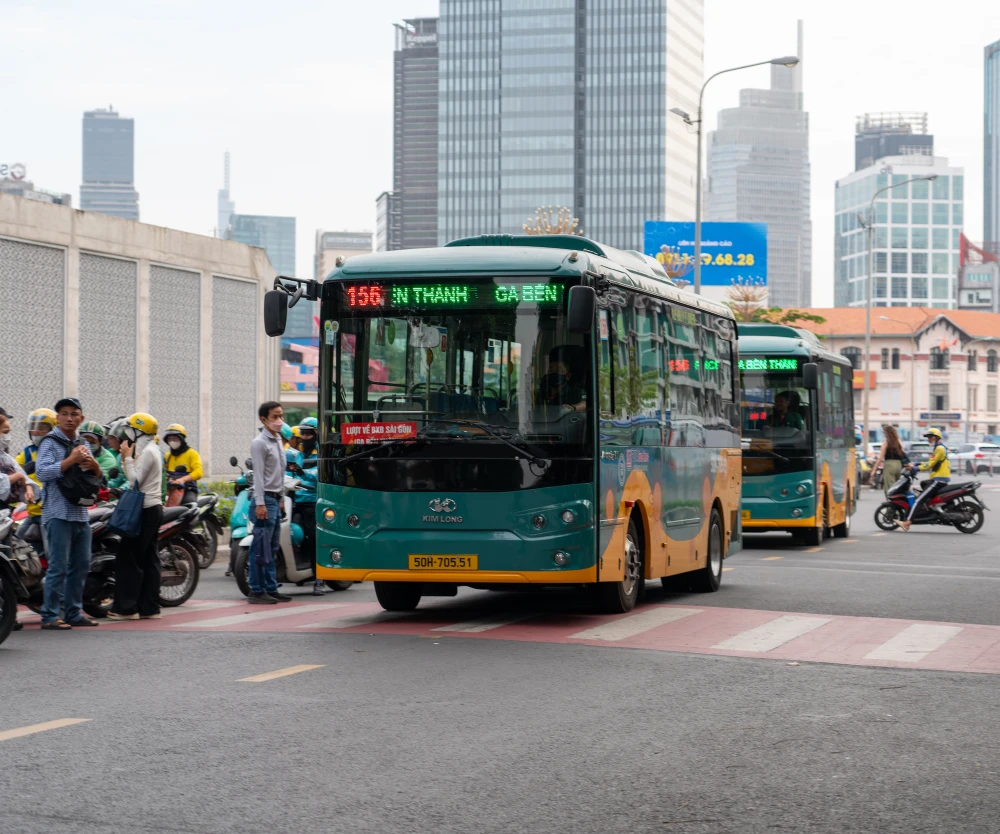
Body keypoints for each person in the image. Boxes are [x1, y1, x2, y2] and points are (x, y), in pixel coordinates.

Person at [34, 397, 102, 630]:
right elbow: (42, 473)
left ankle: (73, 612)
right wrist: (70, 460)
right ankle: (50, 616)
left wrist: (96, 467)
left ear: (81, 418)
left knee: (81, 566)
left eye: (74, 414)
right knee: (58, 568)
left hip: (81, 513)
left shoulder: (83, 443)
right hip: (57, 513)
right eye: (64, 413)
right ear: (57, 418)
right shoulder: (49, 442)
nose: (69, 418)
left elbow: (95, 477)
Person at [108, 413, 164, 620]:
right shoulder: (151, 449)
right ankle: (149, 607)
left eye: (130, 429)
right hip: (151, 509)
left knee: (128, 558)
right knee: (148, 559)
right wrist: (128, 458)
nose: (127, 433)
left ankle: (126, 608)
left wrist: (127, 457)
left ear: (139, 431)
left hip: (144, 510)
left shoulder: (148, 451)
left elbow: (134, 481)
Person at [247, 401, 292, 604]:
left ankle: (270, 588)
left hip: (274, 499)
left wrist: (281, 499)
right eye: (275, 416)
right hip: (264, 499)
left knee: (272, 548)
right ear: (264, 419)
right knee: (260, 548)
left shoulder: (278, 440)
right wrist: (260, 503)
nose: (279, 420)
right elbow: (258, 475)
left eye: (281, 415)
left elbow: (279, 474)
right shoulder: (260, 443)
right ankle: (256, 590)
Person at [288, 419, 324, 595]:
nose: (304, 436)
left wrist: (302, 473)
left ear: (316, 435)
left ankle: (319, 579)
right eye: (302, 433)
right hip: (295, 500)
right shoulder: (297, 455)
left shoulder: (320, 454)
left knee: (312, 539)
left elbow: (318, 475)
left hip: (311, 501)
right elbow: (288, 472)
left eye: (308, 433)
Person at [15, 408, 57, 547]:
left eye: (41, 428)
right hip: (32, 511)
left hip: (48, 513)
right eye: (33, 428)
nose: (36, 432)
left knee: (51, 551)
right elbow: (13, 467)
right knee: (15, 540)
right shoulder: (28, 452)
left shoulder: (56, 451)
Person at [897, 428, 951, 532]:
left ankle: (907, 522)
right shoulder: (939, 447)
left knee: (918, 500)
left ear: (936, 437)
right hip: (939, 478)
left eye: (931, 437)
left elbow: (930, 465)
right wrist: (916, 464)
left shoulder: (939, 449)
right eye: (928, 437)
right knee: (923, 484)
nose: (929, 439)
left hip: (939, 480)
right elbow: (931, 462)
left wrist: (914, 468)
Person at [162, 424, 203, 506]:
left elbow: (199, 472)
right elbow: (163, 472)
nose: (172, 441)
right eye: (169, 439)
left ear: (181, 439)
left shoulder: (192, 453)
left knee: (189, 506)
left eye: (174, 438)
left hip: (188, 489)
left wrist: (183, 480)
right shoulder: (167, 456)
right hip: (171, 489)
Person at [540, 345, 586, 411]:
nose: (554, 373)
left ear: (568, 376)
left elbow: (585, 403)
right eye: (550, 370)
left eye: (558, 370)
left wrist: (573, 408)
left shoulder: (575, 391)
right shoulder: (543, 390)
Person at [872, 425, 908, 496]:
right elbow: (903, 453)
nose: (884, 435)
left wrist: (874, 470)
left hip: (889, 465)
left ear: (887, 433)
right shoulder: (899, 442)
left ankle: (891, 502)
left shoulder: (886, 444)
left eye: (884, 433)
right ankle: (898, 500)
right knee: (898, 485)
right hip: (899, 465)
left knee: (890, 486)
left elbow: (880, 458)